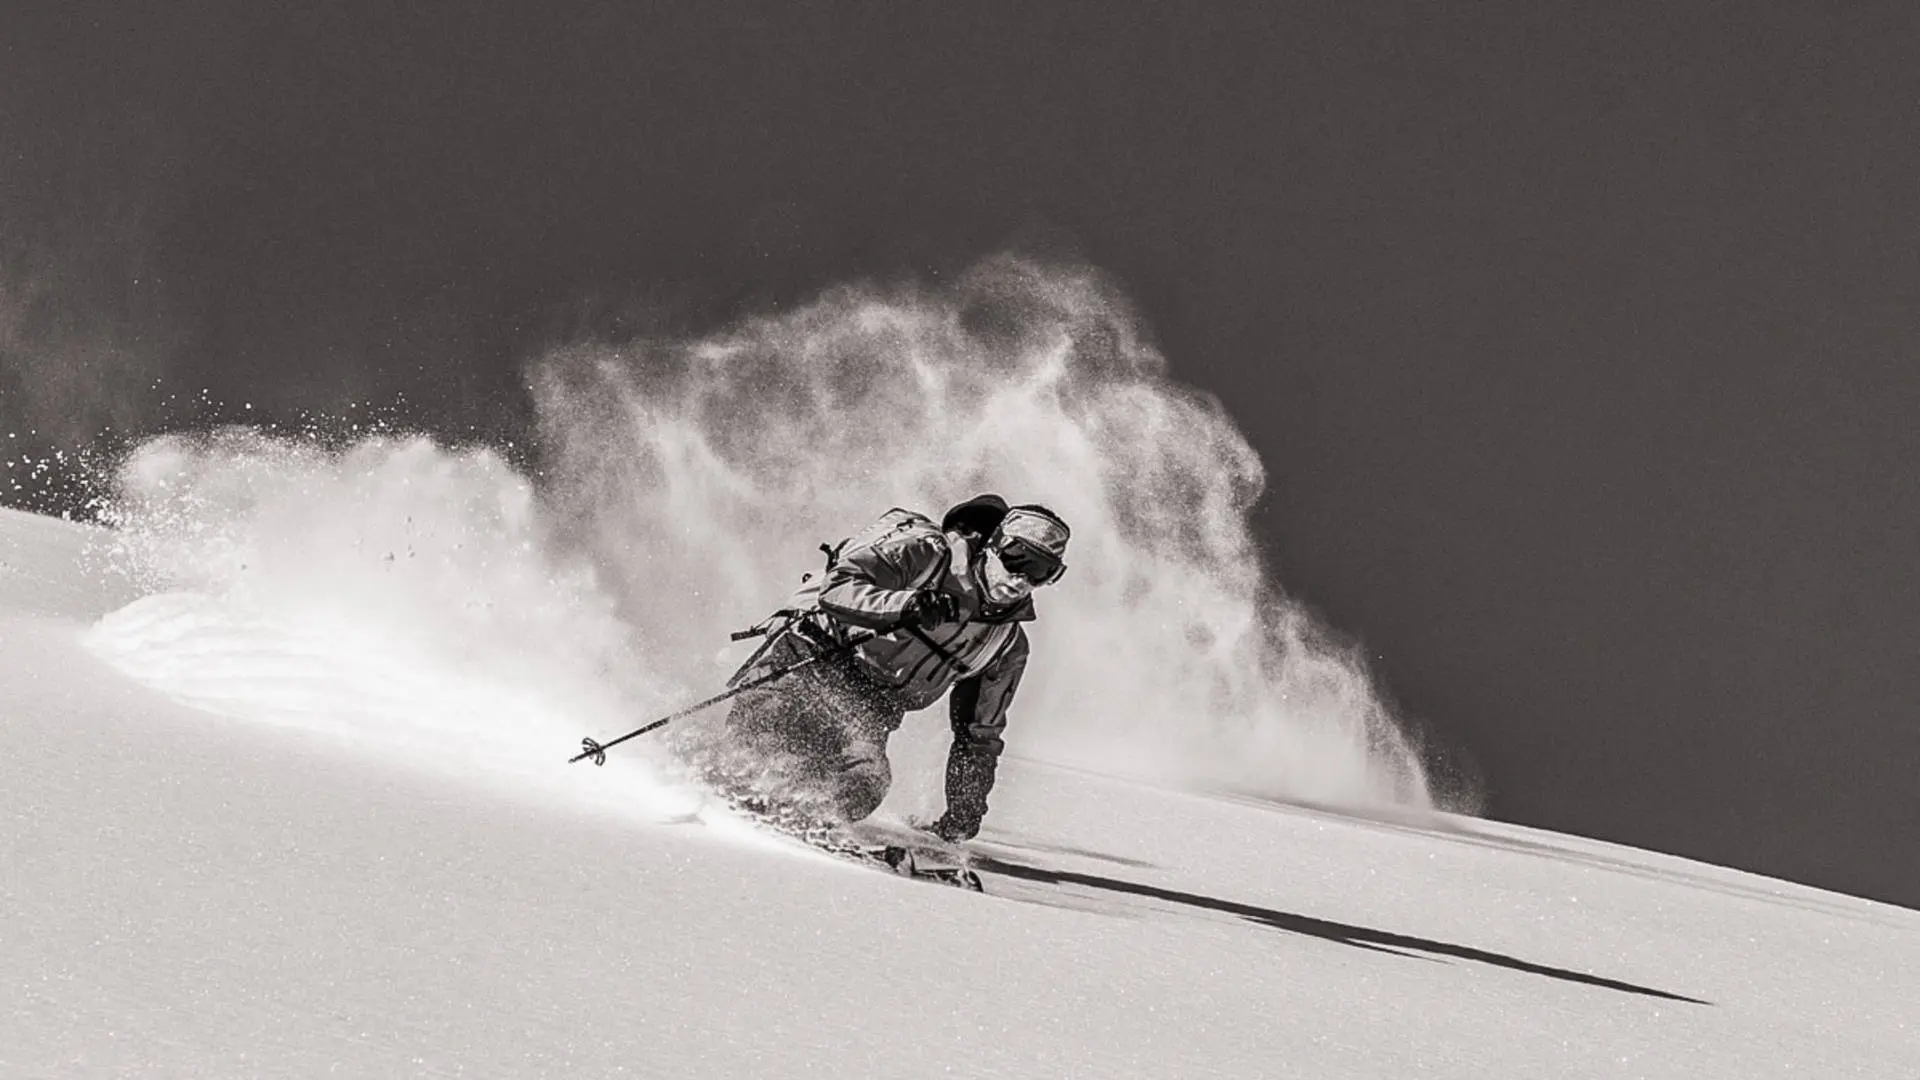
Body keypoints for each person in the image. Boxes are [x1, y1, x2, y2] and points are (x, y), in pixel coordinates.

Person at [716, 494, 1069, 842]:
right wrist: (906, 604)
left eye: (1041, 572)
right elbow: (838, 587)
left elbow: (979, 737)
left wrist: (963, 815)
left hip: (867, 711)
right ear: (993, 544)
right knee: (762, 744)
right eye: (1016, 557)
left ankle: (802, 822)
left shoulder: (1003, 646)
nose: (1021, 578)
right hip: (805, 664)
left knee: (867, 782)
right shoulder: (925, 554)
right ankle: (706, 779)